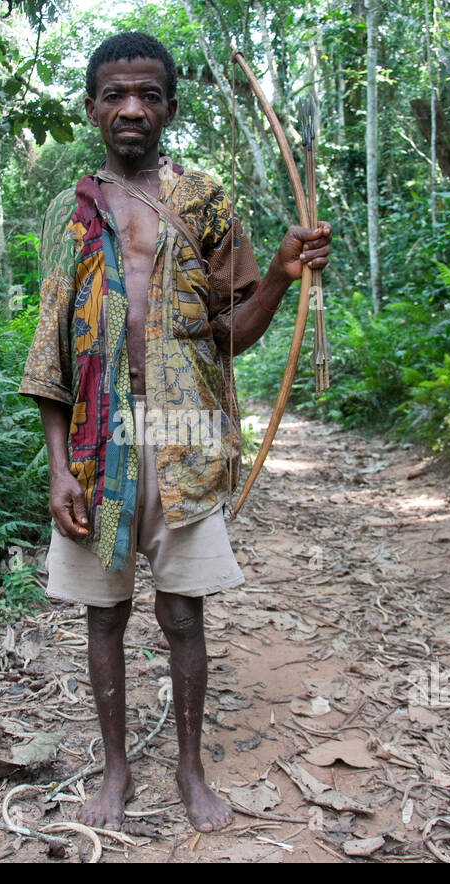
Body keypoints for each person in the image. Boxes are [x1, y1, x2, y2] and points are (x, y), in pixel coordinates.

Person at [18, 31, 331, 832]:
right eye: (116, 94)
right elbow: (52, 351)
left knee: (184, 612)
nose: (132, 108)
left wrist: (286, 277)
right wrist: (58, 470)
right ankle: (117, 771)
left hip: (186, 433)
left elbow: (232, 331)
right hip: (96, 439)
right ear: (92, 107)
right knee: (105, 615)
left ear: (169, 108)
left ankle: (191, 770)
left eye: (149, 95)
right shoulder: (71, 209)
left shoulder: (205, 199)